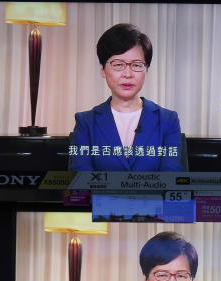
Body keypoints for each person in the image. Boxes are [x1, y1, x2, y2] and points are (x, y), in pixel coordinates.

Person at [70, 23, 183, 172]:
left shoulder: (168, 121)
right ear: (103, 70)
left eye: (136, 65)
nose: (128, 74)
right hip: (101, 196)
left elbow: (171, 181)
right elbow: (80, 181)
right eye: (118, 64)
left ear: (146, 70)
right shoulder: (86, 123)